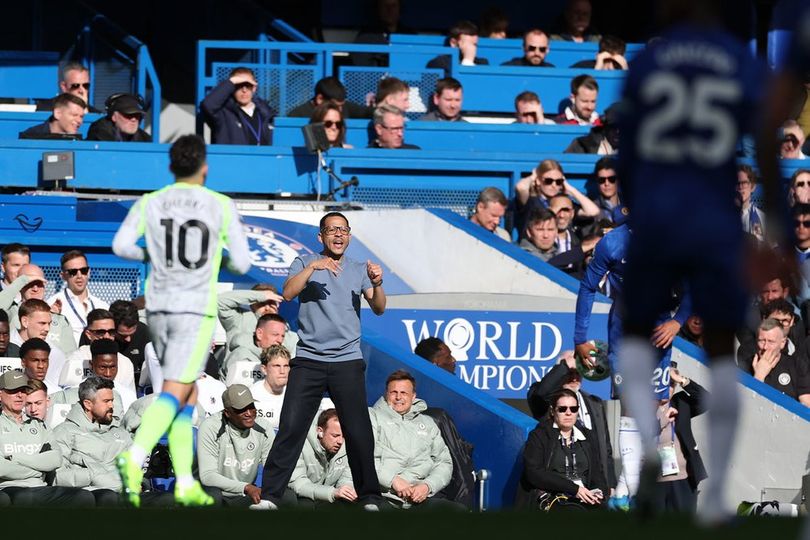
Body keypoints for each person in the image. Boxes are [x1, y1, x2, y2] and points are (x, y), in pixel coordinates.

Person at [616, 0, 773, 522]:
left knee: (636, 340)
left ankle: (643, 463)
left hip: (659, 215)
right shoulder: (736, 59)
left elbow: (629, 151)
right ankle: (720, 496)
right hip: (711, 218)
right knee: (724, 354)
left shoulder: (647, 63)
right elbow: (767, 144)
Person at [112, 134, 252, 507]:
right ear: (204, 167)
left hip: (158, 308)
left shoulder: (151, 202)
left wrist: (157, 254)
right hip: (194, 308)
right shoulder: (220, 205)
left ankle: (187, 480)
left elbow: (120, 246)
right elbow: (242, 263)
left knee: (187, 393)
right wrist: (211, 257)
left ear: (171, 167)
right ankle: (135, 453)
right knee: (177, 387)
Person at [257, 211, 386, 510]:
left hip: (347, 361)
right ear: (321, 236)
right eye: (332, 230)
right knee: (291, 427)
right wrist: (314, 266)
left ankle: (369, 496)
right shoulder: (305, 263)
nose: (338, 235)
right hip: (309, 359)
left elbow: (379, 307)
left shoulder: (358, 268)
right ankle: (270, 496)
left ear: (349, 235)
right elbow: (288, 293)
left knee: (358, 431)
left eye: (343, 230)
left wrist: (378, 283)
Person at [526, 351, 616, 494]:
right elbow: (541, 393)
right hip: (556, 491)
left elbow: (605, 447)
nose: (574, 378)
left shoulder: (594, 402)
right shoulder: (544, 399)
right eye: (570, 372)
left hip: (591, 489)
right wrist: (565, 365)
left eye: (579, 372)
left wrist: (609, 484)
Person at [0, 369, 94, 507]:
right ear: (0, 394)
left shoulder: (39, 425)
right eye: (13, 391)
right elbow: (2, 468)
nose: (20, 395)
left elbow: (55, 459)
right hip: (8, 488)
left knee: (84, 497)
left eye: (23, 390)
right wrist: (39, 469)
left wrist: (16, 458)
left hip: (40, 487)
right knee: (24, 499)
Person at [369, 370, 455, 509]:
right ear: (386, 394)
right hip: (383, 495)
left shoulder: (428, 423)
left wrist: (427, 486)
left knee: (455, 512)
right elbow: (363, 457)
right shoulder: (372, 417)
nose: (398, 397)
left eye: (404, 393)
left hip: (419, 497)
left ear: (413, 396)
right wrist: (393, 480)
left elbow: (444, 462)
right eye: (393, 392)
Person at [51, 376, 136, 506]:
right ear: (88, 404)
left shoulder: (120, 433)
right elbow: (57, 476)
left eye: (112, 401)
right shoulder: (65, 432)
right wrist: (92, 475)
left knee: (164, 498)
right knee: (108, 497)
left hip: (126, 491)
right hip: (90, 493)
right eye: (106, 401)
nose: (112, 406)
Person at [517, 389, 608, 510]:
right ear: (553, 411)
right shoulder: (540, 435)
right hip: (553, 499)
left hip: (583, 498)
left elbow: (597, 474)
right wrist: (574, 489)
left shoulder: (587, 436)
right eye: (562, 409)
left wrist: (599, 492)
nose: (568, 413)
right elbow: (534, 473)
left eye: (573, 409)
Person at [198, 384, 274, 507]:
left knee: (287, 497)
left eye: (251, 406)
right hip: (215, 493)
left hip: (244, 494)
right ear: (228, 413)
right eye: (241, 409)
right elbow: (208, 476)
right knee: (213, 497)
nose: (249, 413)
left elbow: (272, 468)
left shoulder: (264, 428)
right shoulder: (210, 427)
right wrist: (246, 487)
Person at [653, 367, 710, 513]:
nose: (667, 388)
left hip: (684, 479)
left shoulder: (680, 402)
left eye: (671, 384)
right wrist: (663, 421)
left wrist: (682, 380)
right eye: (663, 383)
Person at [50, 339, 135, 418]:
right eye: (102, 367)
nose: (108, 373)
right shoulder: (73, 393)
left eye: (113, 367)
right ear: (91, 365)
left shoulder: (128, 395)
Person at [3, 264, 76, 356]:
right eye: (29, 284)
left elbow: (71, 357)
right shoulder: (10, 311)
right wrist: (22, 280)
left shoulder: (60, 320)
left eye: (39, 284)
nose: (35, 289)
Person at [58, 308, 135, 393]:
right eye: (100, 332)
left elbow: (130, 396)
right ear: (88, 334)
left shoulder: (126, 362)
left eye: (111, 332)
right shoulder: (75, 360)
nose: (106, 336)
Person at [289, 408, 355, 506]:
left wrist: (346, 490)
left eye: (343, 436)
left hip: (328, 499)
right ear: (320, 431)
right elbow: (299, 485)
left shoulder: (347, 448)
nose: (340, 441)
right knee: (305, 504)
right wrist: (332, 492)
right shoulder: (298, 444)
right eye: (335, 435)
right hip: (302, 498)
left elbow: (346, 479)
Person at [47, 249, 110, 345]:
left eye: (83, 270)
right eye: (73, 272)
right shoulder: (52, 304)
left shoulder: (102, 305)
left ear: (89, 272)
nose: (79, 275)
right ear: (63, 276)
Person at [200, 67, 275, 146]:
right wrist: (232, 81)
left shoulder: (265, 113)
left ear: (254, 88)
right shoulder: (223, 113)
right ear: (232, 88)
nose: (244, 90)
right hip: (235, 158)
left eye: (248, 85)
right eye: (239, 85)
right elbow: (207, 105)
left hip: (263, 158)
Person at [743, 318, 810, 405]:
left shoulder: (797, 365)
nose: (765, 347)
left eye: (771, 342)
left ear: (782, 342)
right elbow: (746, 405)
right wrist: (759, 376)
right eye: (761, 341)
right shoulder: (746, 365)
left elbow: (806, 404)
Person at [222, 313, 288, 385]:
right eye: (275, 334)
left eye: (282, 336)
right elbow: (239, 391)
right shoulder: (241, 356)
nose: (280, 340)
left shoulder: (281, 358)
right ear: (259, 334)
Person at [288, 76, 372, 119]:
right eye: (334, 106)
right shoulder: (297, 115)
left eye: (341, 105)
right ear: (320, 99)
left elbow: (369, 112)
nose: (340, 110)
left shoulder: (346, 107)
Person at [109, 300, 151, 385]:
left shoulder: (146, 333)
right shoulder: (98, 335)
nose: (128, 339)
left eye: (132, 334)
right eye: (122, 335)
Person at [35, 62, 99, 113]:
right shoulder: (46, 108)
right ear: (64, 87)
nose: (81, 90)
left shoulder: (95, 114)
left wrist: (84, 108)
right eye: (75, 86)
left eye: (86, 85)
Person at [86, 93, 151, 142]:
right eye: (128, 115)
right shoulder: (99, 132)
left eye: (137, 115)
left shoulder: (145, 139)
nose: (134, 119)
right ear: (114, 117)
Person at [18, 93, 85, 139]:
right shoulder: (31, 136)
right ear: (57, 114)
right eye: (74, 115)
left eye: (81, 116)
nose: (79, 121)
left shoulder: (78, 140)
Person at [737, 165, 766, 241]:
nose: (740, 187)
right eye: (737, 183)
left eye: (744, 183)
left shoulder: (763, 218)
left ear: (752, 187)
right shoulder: (724, 215)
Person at [589, 157, 623, 222]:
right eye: (601, 180)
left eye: (611, 179)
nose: (606, 183)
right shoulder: (592, 208)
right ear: (597, 181)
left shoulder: (629, 203)